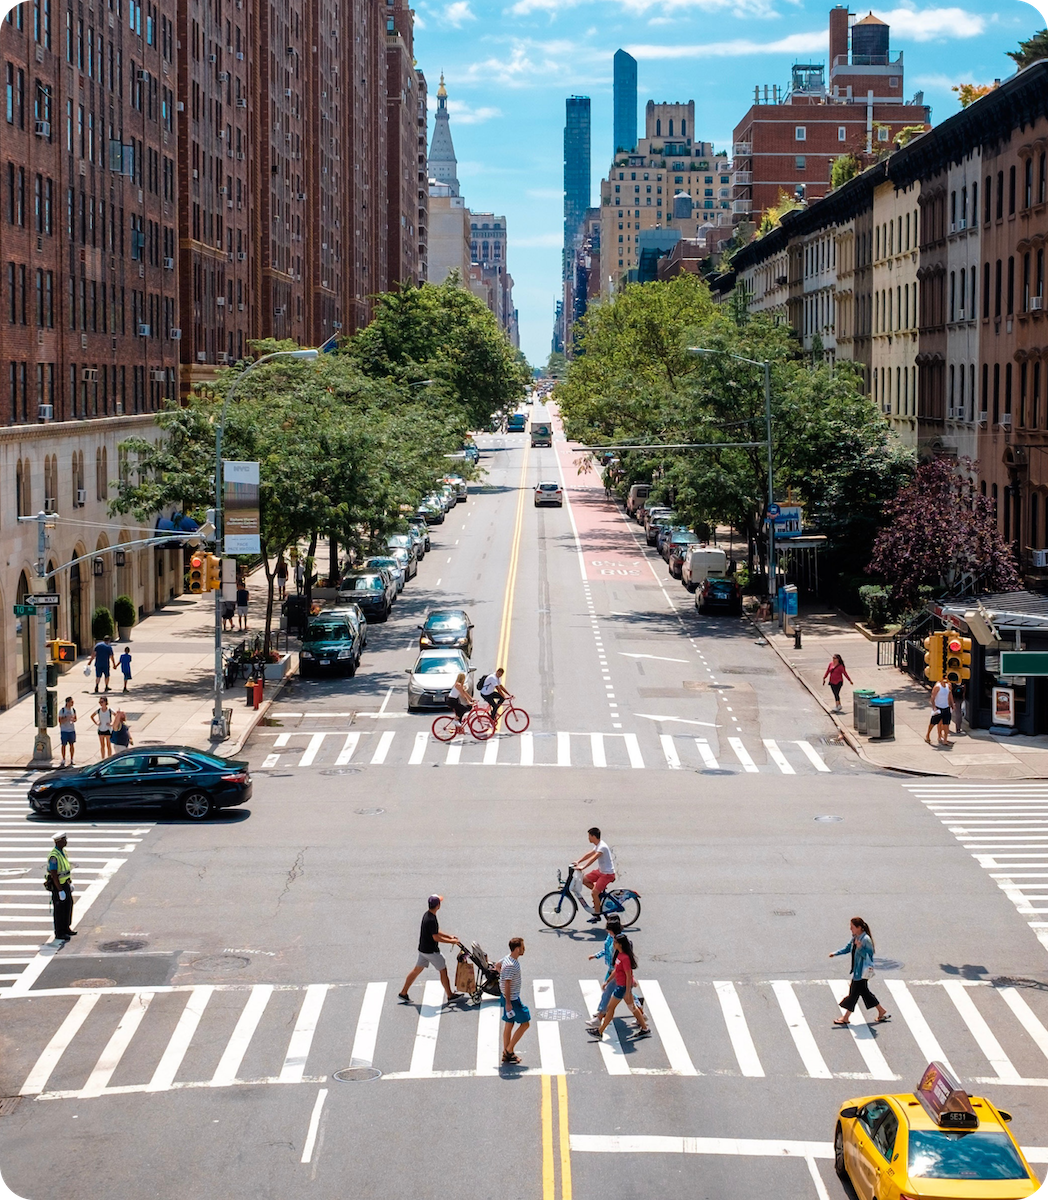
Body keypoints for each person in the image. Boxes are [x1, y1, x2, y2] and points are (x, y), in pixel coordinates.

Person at [398, 895, 463, 1005]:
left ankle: (403, 993)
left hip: (423, 950)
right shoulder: (431, 919)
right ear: (438, 905)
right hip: (431, 952)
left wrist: (449, 936)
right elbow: (435, 937)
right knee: (443, 970)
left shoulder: (427, 915)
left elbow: (436, 931)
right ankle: (450, 995)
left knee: (416, 970)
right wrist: (451, 942)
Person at [829, 916, 890, 1026]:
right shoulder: (855, 937)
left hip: (862, 972)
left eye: (852, 927)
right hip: (857, 971)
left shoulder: (865, 939)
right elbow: (847, 948)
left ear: (859, 927)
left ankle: (845, 1017)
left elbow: (869, 955)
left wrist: (860, 947)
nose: (850, 929)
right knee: (864, 992)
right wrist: (835, 953)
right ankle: (881, 1011)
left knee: (854, 994)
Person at [591, 934, 650, 1040]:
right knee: (632, 1007)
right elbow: (616, 971)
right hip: (621, 986)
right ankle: (645, 1029)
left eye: (615, 943)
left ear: (620, 944)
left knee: (610, 1008)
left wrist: (627, 991)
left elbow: (629, 976)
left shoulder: (625, 958)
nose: (613, 944)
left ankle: (600, 1031)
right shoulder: (619, 955)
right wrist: (607, 981)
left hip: (622, 987)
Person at [586, 914, 625, 1024]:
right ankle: (639, 1009)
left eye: (608, 930)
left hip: (616, 971)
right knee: (626, 993)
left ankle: (600, 1015)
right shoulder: (610, 937)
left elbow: (621, 959)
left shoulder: (619, 941)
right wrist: (596, 956)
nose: (607, 931)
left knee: (608, 991)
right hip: (611, 969)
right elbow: (606, 950)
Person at [572, 827, 616, 923]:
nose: (588, 838)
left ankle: (597, 914)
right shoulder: (598, 845)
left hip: (607, 874)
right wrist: (578, 861)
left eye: (589, 836)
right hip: (600, 871)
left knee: (594, 893)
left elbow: (593, 858)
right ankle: (599, 896)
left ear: (593, 836)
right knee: (584, 880)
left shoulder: (602, 847)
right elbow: (590, 854)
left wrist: (583, 867)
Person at [499, 937, 531, 1066]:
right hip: (512, 999)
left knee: (509, 1024)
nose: (524, 949)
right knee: (525, 1023)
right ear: (517, 949)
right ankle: (509, 1049)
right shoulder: (511, 965)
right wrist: (508, 1003)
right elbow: (507, 984)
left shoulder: (507, 958)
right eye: (522, 947)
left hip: (508, 997)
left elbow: (497, 966)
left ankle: (507, 1054)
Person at [46, 832, 75, 942]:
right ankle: (60, 932)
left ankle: (66, 928)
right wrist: (60, 890)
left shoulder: (63, 852)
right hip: (58, 887)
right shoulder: (54, 856)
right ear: (58, 841)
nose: (66, 841)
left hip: (65, 884)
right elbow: (54, 874)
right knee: (60, 910)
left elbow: (65, 870)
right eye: (64, 840)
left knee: (68, 906)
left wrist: (69, 882)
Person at [925, 673, 952, 746]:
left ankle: (945, 739)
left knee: (946, 724)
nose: (946, 680)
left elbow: (949, 695)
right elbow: (933, 697)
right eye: (944, 678)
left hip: (946, 707)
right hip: (938, 707)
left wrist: (951, 705)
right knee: (933, 723)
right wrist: (934, 707)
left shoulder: (948, 686)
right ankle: (928, 735)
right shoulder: (937, 687)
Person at [58, 697, 77, 765]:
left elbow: (75, 719)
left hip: (71, 730)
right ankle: (63, 759)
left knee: (72, 744)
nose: (72, 703)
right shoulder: (62, 710)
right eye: (71, 702)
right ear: (67, 702)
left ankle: (72, 759)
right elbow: (60, 721)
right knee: (63, 745)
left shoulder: (73, 710)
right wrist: (66, 718)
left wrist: (73, 719)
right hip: (64, 730)